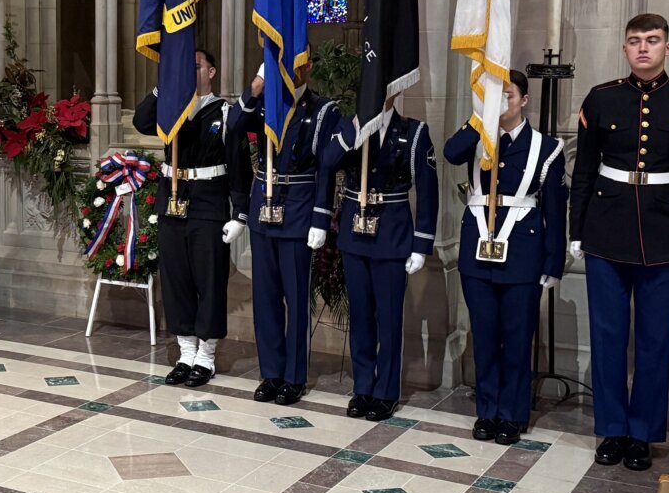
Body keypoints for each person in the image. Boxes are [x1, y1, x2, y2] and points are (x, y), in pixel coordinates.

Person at [570, 13, 669, 471]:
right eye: (634, 41)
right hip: (606, 229)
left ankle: (643, 433)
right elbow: (582, 173)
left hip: (665, 234)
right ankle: (612, 429)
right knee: (608, 336)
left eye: (652, 41)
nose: (642, 49)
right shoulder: (600, 99)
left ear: (667, 48)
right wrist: (576, 230)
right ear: (624, 48)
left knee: (655, 340)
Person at [443, 70, 567, 445]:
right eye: (495, 95)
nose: (503, 102)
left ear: (524, 100)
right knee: (484, 336)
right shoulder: (478, 138)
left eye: (507, 95)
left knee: (515, 338)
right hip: (478, 253)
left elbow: (556, 210)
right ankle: (488, 411)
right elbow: (450, 152)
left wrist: (553, 262)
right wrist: (481, 114)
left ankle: (512, 414)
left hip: (523, 254)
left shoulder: (547, 148)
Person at [132, 48, 247, 387]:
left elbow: (240, 167)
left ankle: (206, 355)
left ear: (211, 72)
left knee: (209, 280)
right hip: (173, 201)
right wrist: (163, 87)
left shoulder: (226, 113)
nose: (190, 72)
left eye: (195, 66)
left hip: (209, 204)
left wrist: (239, 213)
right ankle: (185, 352)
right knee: (177, 279)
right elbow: (141, 121)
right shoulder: (171, 110)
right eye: (184, 67)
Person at [231, 58, 343, 405]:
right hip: (263, 209)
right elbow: (234, 126)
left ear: (307, 68)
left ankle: (294, 376)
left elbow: (326, 168)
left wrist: (321, 219)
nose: (290, 71)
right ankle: (272, 373)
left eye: (297, 64)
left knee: (295, 299)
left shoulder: (324, 111)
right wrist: (256, 87)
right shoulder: (265, 104)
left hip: (298, 210)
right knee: (265, 299)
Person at [318, 102, 438, 420]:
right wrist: (354, 128)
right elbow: (327, 162)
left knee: (388, 319)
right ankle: (363, 388)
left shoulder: (413, 132)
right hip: (354, 235)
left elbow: (428, 191)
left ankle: (385, 391)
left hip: (392, 235)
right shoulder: (350, 127)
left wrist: (421, 245)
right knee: (360, 317)